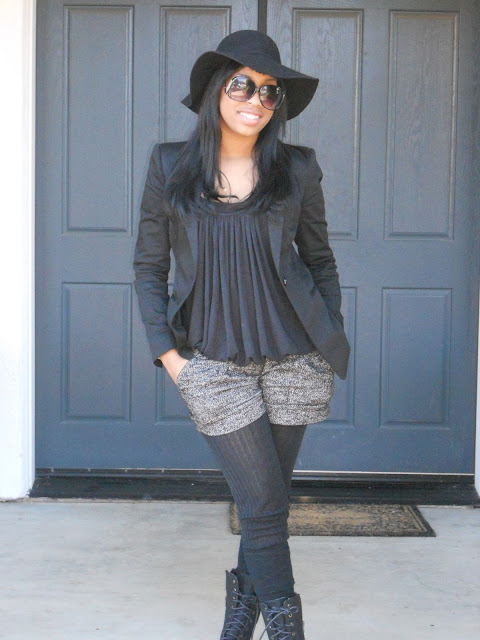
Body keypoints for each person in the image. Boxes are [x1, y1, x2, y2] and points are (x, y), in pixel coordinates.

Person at [133, 29, 350, 640]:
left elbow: (320, 259)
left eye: (269, 91)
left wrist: (327, 333)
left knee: (265, 503)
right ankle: (285, 626)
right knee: (262, 502)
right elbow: (149, 267)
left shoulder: (297, 168)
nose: (256, 100)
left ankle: (240, 613)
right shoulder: (170, 165)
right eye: (242, 85)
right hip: (212, 362)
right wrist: (170, 357)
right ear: (214, 90)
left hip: (296, 358)